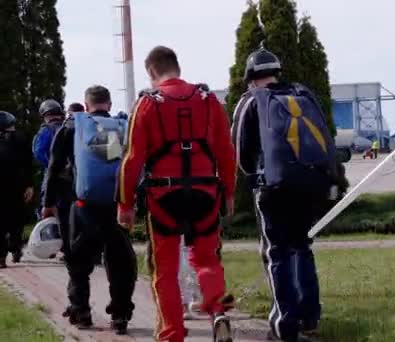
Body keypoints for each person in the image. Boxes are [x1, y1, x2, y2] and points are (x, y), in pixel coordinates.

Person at [117, 46, 236, 342]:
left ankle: (172, 334)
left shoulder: (147, 103)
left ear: (151, 72)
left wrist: (126, 204)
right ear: (177, 67)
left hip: (164, 196)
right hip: (206, 193)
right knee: (207, 259)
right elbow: (226, 152)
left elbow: (132, 159)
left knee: (165, 271)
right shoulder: (209, 100)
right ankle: (217, 308)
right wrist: (229, 194)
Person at [232, 48, 339, 341]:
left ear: (251, 77)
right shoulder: (302, 95)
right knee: (302, 246)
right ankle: (310, 316)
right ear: (277, 71)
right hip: (309, 184)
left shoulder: (251, 100)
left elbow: (241, 153)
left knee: (276, 252)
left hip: (273, 187)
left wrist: (254, 177)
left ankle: (285, 324)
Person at [42, 85, 137, 335]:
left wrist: (48, 203)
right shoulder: (121, 126)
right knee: (119, 262)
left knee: (78, 261)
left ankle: (81, 311)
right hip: (116, 205)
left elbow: (53, 166)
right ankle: (120, 315)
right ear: (108, 104)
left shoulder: (73, 126)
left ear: (86, 106)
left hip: (82, 205)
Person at [0, 111, 34, 268]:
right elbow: (28, 164)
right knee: (16, 220)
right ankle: (15, 248)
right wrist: (29, 185)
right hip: (17, 186)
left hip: (8, 186)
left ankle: (1, 257)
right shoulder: (20, 139)